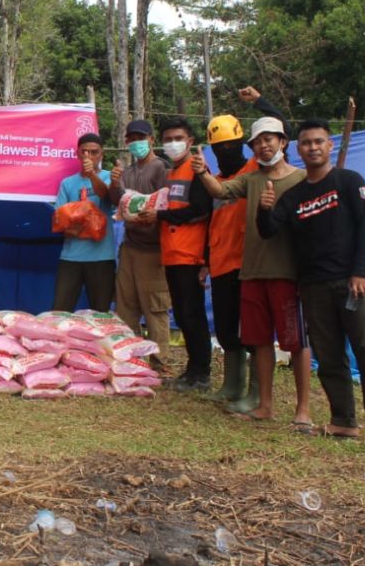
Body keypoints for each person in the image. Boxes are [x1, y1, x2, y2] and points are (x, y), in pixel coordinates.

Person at [258, 120, 365, 449]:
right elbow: (268, 230)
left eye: (319, 141)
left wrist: (360, 272)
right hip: (314, 287)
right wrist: (264, 210)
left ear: (330, 146)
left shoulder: (349, 182)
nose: (313, 147)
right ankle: (343, 421)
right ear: (297, 149)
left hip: (353, 284)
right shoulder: (294, 196)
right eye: (306, 143)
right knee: (329, 357)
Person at [194, 115, 313, 432]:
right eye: (258, 142)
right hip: (250, 271)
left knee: (295, 342)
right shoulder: (250, 180)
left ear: (283, 142)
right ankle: (264, 404)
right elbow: (219, 190)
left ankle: (303, 409)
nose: (263, 146)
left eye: (269, 139)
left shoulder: (301, 179)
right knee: (258, 339)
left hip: (287, 272)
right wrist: (202, 171)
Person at [143, 117, 212, 391]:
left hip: (190, 255)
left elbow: (199, 210)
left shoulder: (198, 171)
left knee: (193, 315)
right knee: (182, 315)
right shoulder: (172, 174)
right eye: (168, 139)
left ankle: (202, 373)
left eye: (178, 138)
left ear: (190, 141)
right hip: (171, 254)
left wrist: (159, 215)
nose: (173, 143)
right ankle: (191, 371)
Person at [199, 114, 258, 405]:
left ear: (241, 143)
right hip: (221, 265)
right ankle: (232, 385)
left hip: (248, 265)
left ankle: (256, 392)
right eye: (220, 147)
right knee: (225, 328)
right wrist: (206, 262)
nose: (226, 151)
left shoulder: (255, 169)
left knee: (252, 330)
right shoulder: (215, 182)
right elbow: (212, 225)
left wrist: (259, 102)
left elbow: (283, 129)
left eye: (232, 145)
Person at [107, 119, 172, 373]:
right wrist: (114, 184)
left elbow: (168, 203)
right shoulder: (128, 172)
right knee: (126, 305)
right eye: (132, 139)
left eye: (141, 138)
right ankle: (130, 356)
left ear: (152, 140)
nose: (136, 143)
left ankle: (160, 360)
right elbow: (118, 202)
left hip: (154, 248)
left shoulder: (161, 168)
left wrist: (155, 215)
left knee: (155, 307)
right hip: (130, 245)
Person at [51, 133, 115, 313]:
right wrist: (85, 227)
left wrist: (92, 175)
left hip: (102, 257)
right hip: (71, 257)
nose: (88, 156)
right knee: (60, 311)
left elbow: (106, 195)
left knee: (100, 312)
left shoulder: (111, 177)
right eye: (84, 152)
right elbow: (60, 221)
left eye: (94, 152)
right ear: (77, 154)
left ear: (101, 154)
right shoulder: (67, 183)